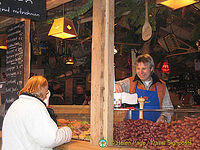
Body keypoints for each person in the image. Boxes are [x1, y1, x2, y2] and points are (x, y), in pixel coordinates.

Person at [2, 76, 72, 150]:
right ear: (42, 90)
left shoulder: (17, 104)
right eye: (46, 92)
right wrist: (67, 131)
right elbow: (51, 139)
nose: (46, 96)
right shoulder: (35, 106)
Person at [115, 54, 174, 123]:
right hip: (132, 128)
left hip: (155, 129)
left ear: (151, 69)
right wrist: (115, 85)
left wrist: (164, 117)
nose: (140, 72)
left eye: (144, 69)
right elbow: (112, 85)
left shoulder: (161, 86)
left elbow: (168, 108)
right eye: (138, 69)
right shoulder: (130, 82)